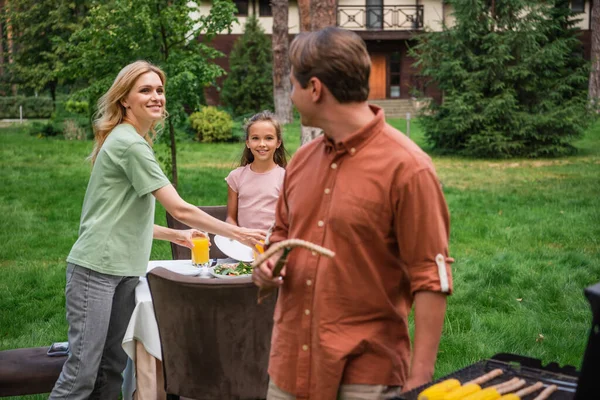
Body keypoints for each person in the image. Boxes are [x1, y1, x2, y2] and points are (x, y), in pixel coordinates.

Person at [252, 27, 454, 400]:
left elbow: (431, 278)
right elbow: (280, 234)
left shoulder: (408, 168)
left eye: (292, 84)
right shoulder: (300, 161)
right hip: (288, 367)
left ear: (315, 89)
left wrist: (419, 382)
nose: (291, 95)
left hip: (366, 376)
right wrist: (268, 266)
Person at [49, 60, 264, 400]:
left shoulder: (134, 141)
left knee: (110, 369)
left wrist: (177, 236)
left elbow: (121, 218)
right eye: (145, 90)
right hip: (97, 269)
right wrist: (238, 234)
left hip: (122, 268)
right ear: (125, 100)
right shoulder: (130, 144)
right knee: (81, 374)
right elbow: (178, 208)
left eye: (160, 90)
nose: (156, 96)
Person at [225, 110, 288, 232]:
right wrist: (235, 234)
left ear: (278, 143)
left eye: (269, 138)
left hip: (274, 245)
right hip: (244, 245)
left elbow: (289, 220)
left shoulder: (286, 178)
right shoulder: (236, 177)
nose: (262, 144)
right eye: (255, 138)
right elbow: (230, 218)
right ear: (247, 142)